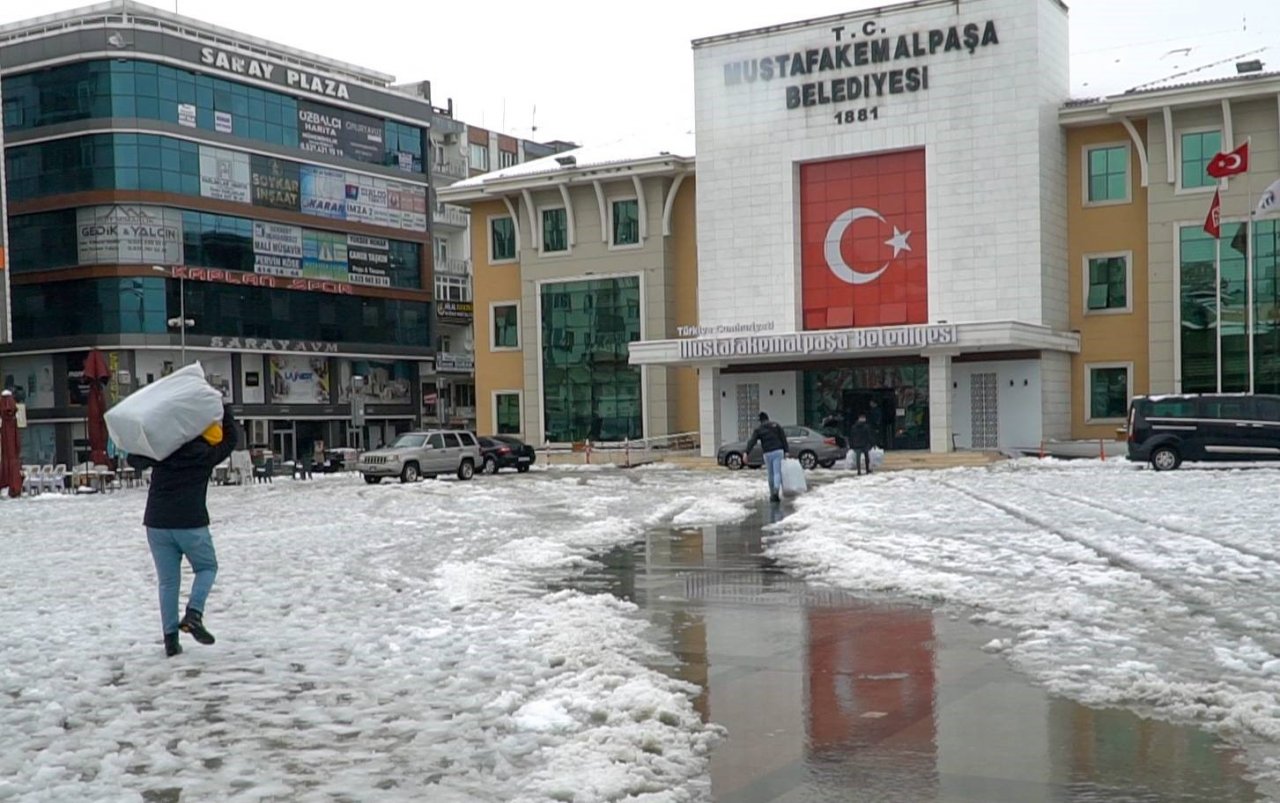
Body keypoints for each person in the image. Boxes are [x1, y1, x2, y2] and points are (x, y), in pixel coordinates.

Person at [128, 405, 238, 657]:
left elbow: (132, 459)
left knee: (168, 582)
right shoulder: (206, 453)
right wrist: (224, 411)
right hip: (191, 523)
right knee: (207, 568)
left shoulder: (162, 450)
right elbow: (231, 440)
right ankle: (194, 614)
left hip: (156, 524)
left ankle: (170, 641)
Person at [745, 411, 789, 502]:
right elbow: (783, 438)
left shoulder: (759, 429)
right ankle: (776, 490)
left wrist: (746, 452)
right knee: (777, 472)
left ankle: (772, 493)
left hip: (767, 453)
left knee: (770, 474)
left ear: (760, 420)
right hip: (778, 451)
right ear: (767, 418)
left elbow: (752, 441)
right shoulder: (776, 425)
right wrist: (786, 451)